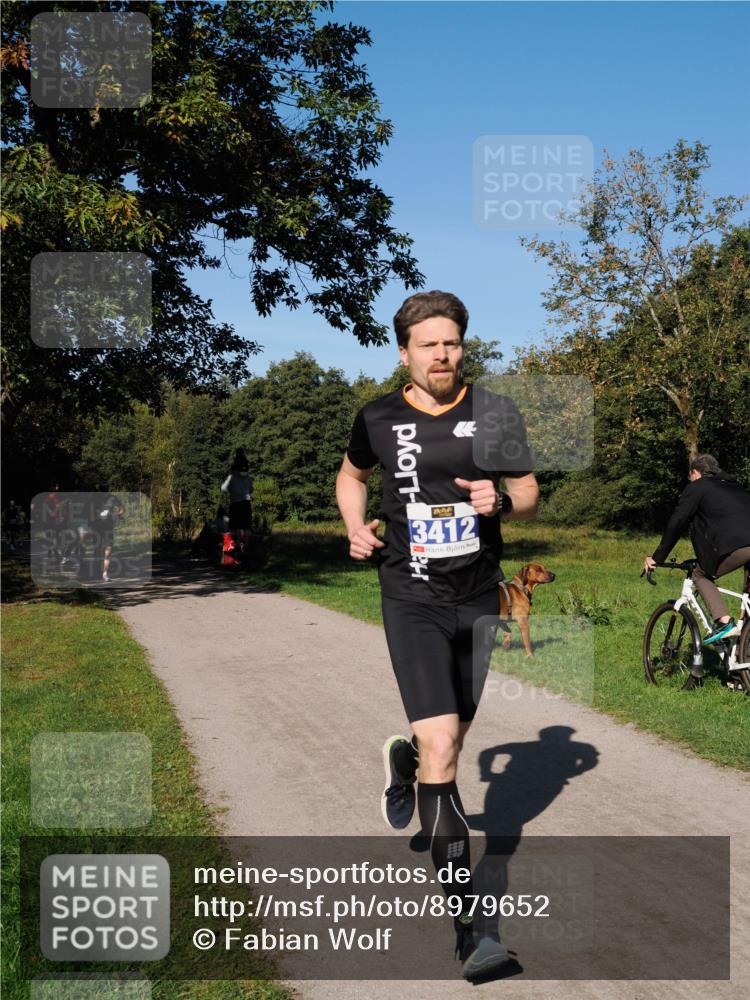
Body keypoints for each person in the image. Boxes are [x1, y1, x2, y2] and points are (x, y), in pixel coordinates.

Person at [335, 290, 539, 979]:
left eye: (451, 342)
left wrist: (500, 500)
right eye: (429, 345)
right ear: (405, 353)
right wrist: (354, 525)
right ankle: (471, 933)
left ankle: (405, 766)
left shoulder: (495, 411)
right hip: (411, 596)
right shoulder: (378, 417)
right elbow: (351, 476)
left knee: (449, 737)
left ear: (462, 347)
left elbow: (528, 490)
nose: (442, 354)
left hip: (478, 598)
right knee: (443, 744)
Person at [644, 454, 750, 675]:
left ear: (696, 473)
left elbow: (677, 522)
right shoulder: (736, 486)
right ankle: (741, 667)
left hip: (740, 547)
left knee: (701, 574)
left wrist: (657, 557)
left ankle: (724, 622)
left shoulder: (698, 487)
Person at [221, 449, 253, 550]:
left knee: (237, 526)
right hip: (246, 502)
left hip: (235, 502)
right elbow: (251, 489)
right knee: (246, 526)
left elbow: (223, 488)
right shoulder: (248, 477)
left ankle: (238, 545)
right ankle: (247, 546)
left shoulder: (232, 476)